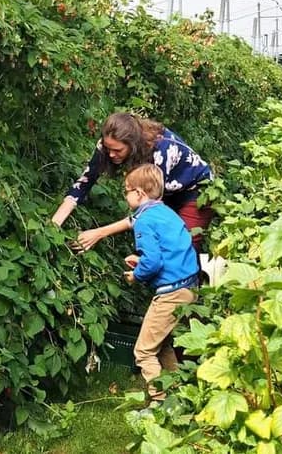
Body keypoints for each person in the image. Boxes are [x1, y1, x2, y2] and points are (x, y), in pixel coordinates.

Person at [51, 112, 213, 254]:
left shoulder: (160, 151)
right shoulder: (107, 145)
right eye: (108, 149)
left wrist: (99, 233)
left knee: (182, 248)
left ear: (133, 146)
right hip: (165, 190)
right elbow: (83, 184)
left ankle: (191, 280)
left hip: (195, 190)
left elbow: (149, 211)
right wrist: (54, 224)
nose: (111, 154)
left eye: (117, 150)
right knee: (154, 244)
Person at [121, 164, 200, 405]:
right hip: (189, 287)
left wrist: (136, 275)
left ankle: (159, 403)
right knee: (162, 343)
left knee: (144, 351)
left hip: (171, 293)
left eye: (126, 191)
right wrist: (141, 261)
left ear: (139, 193)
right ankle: (178, 396)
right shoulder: (167, 213)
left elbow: (153, 262)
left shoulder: (144, 220)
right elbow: (170, 251)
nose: (125, 196)